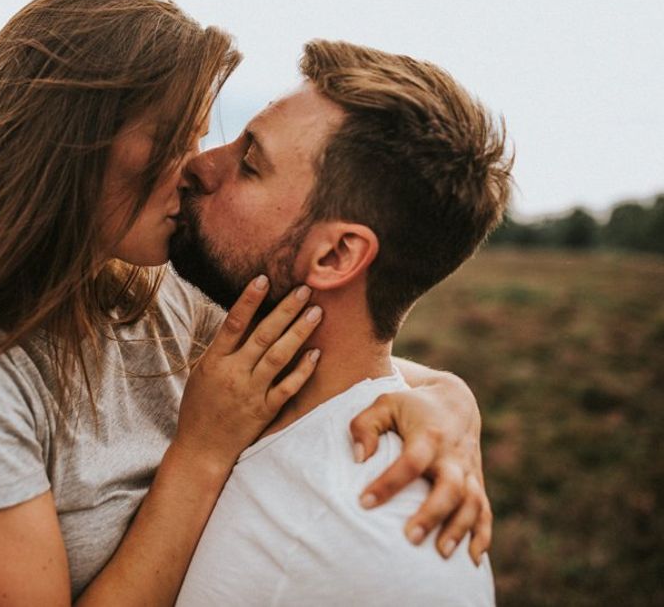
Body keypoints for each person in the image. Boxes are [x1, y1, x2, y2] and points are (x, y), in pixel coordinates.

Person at [0, 0, 491, 606]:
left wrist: (446, 401)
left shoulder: (154, 299)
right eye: (175, 134)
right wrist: (201, 454)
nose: (197, 165)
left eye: (217, 138)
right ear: (73, 148)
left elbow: (325, 353)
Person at [171, 40, 512, 605]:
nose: (202, 164)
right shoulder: (196, 349)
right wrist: (450, 389)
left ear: (335, 256)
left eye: (249, 163)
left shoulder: (390, 548)